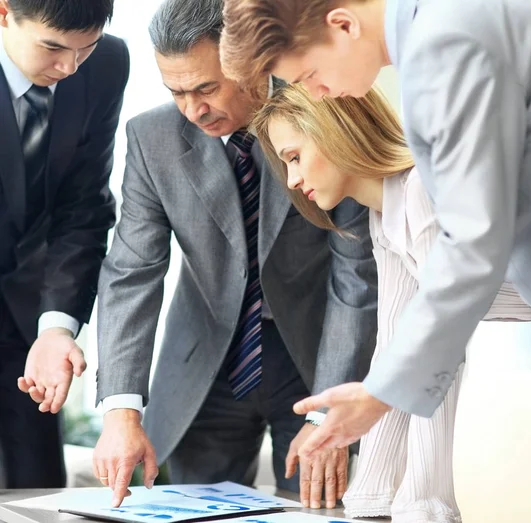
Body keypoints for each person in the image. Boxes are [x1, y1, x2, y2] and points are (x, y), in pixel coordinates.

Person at [91, 0, 377, 510]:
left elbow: (355, 270)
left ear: (246, 64)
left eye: (206, 88)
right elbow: (132, 272)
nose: (192, 109)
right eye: (175, 92)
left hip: (315, 355)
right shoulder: (151, 138)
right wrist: (120, 410)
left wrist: (328, 413)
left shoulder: (322, 102)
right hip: (206, 364)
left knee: (319, 508)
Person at [252, 82, 531, 522]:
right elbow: (395, 343)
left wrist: (425, 502)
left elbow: (441, 345)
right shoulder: (385, 218)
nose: (292, 180)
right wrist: (372, 496)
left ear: (335, 129)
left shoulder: (424, 188)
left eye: (294, 157)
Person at [0, 0, 128, 488]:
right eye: (52, 47)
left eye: (85, 48)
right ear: (4, 12)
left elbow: (84, 209)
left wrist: (56, 327)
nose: (69, 67)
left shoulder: (107, 64)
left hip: (28, 318)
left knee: (38, 489)